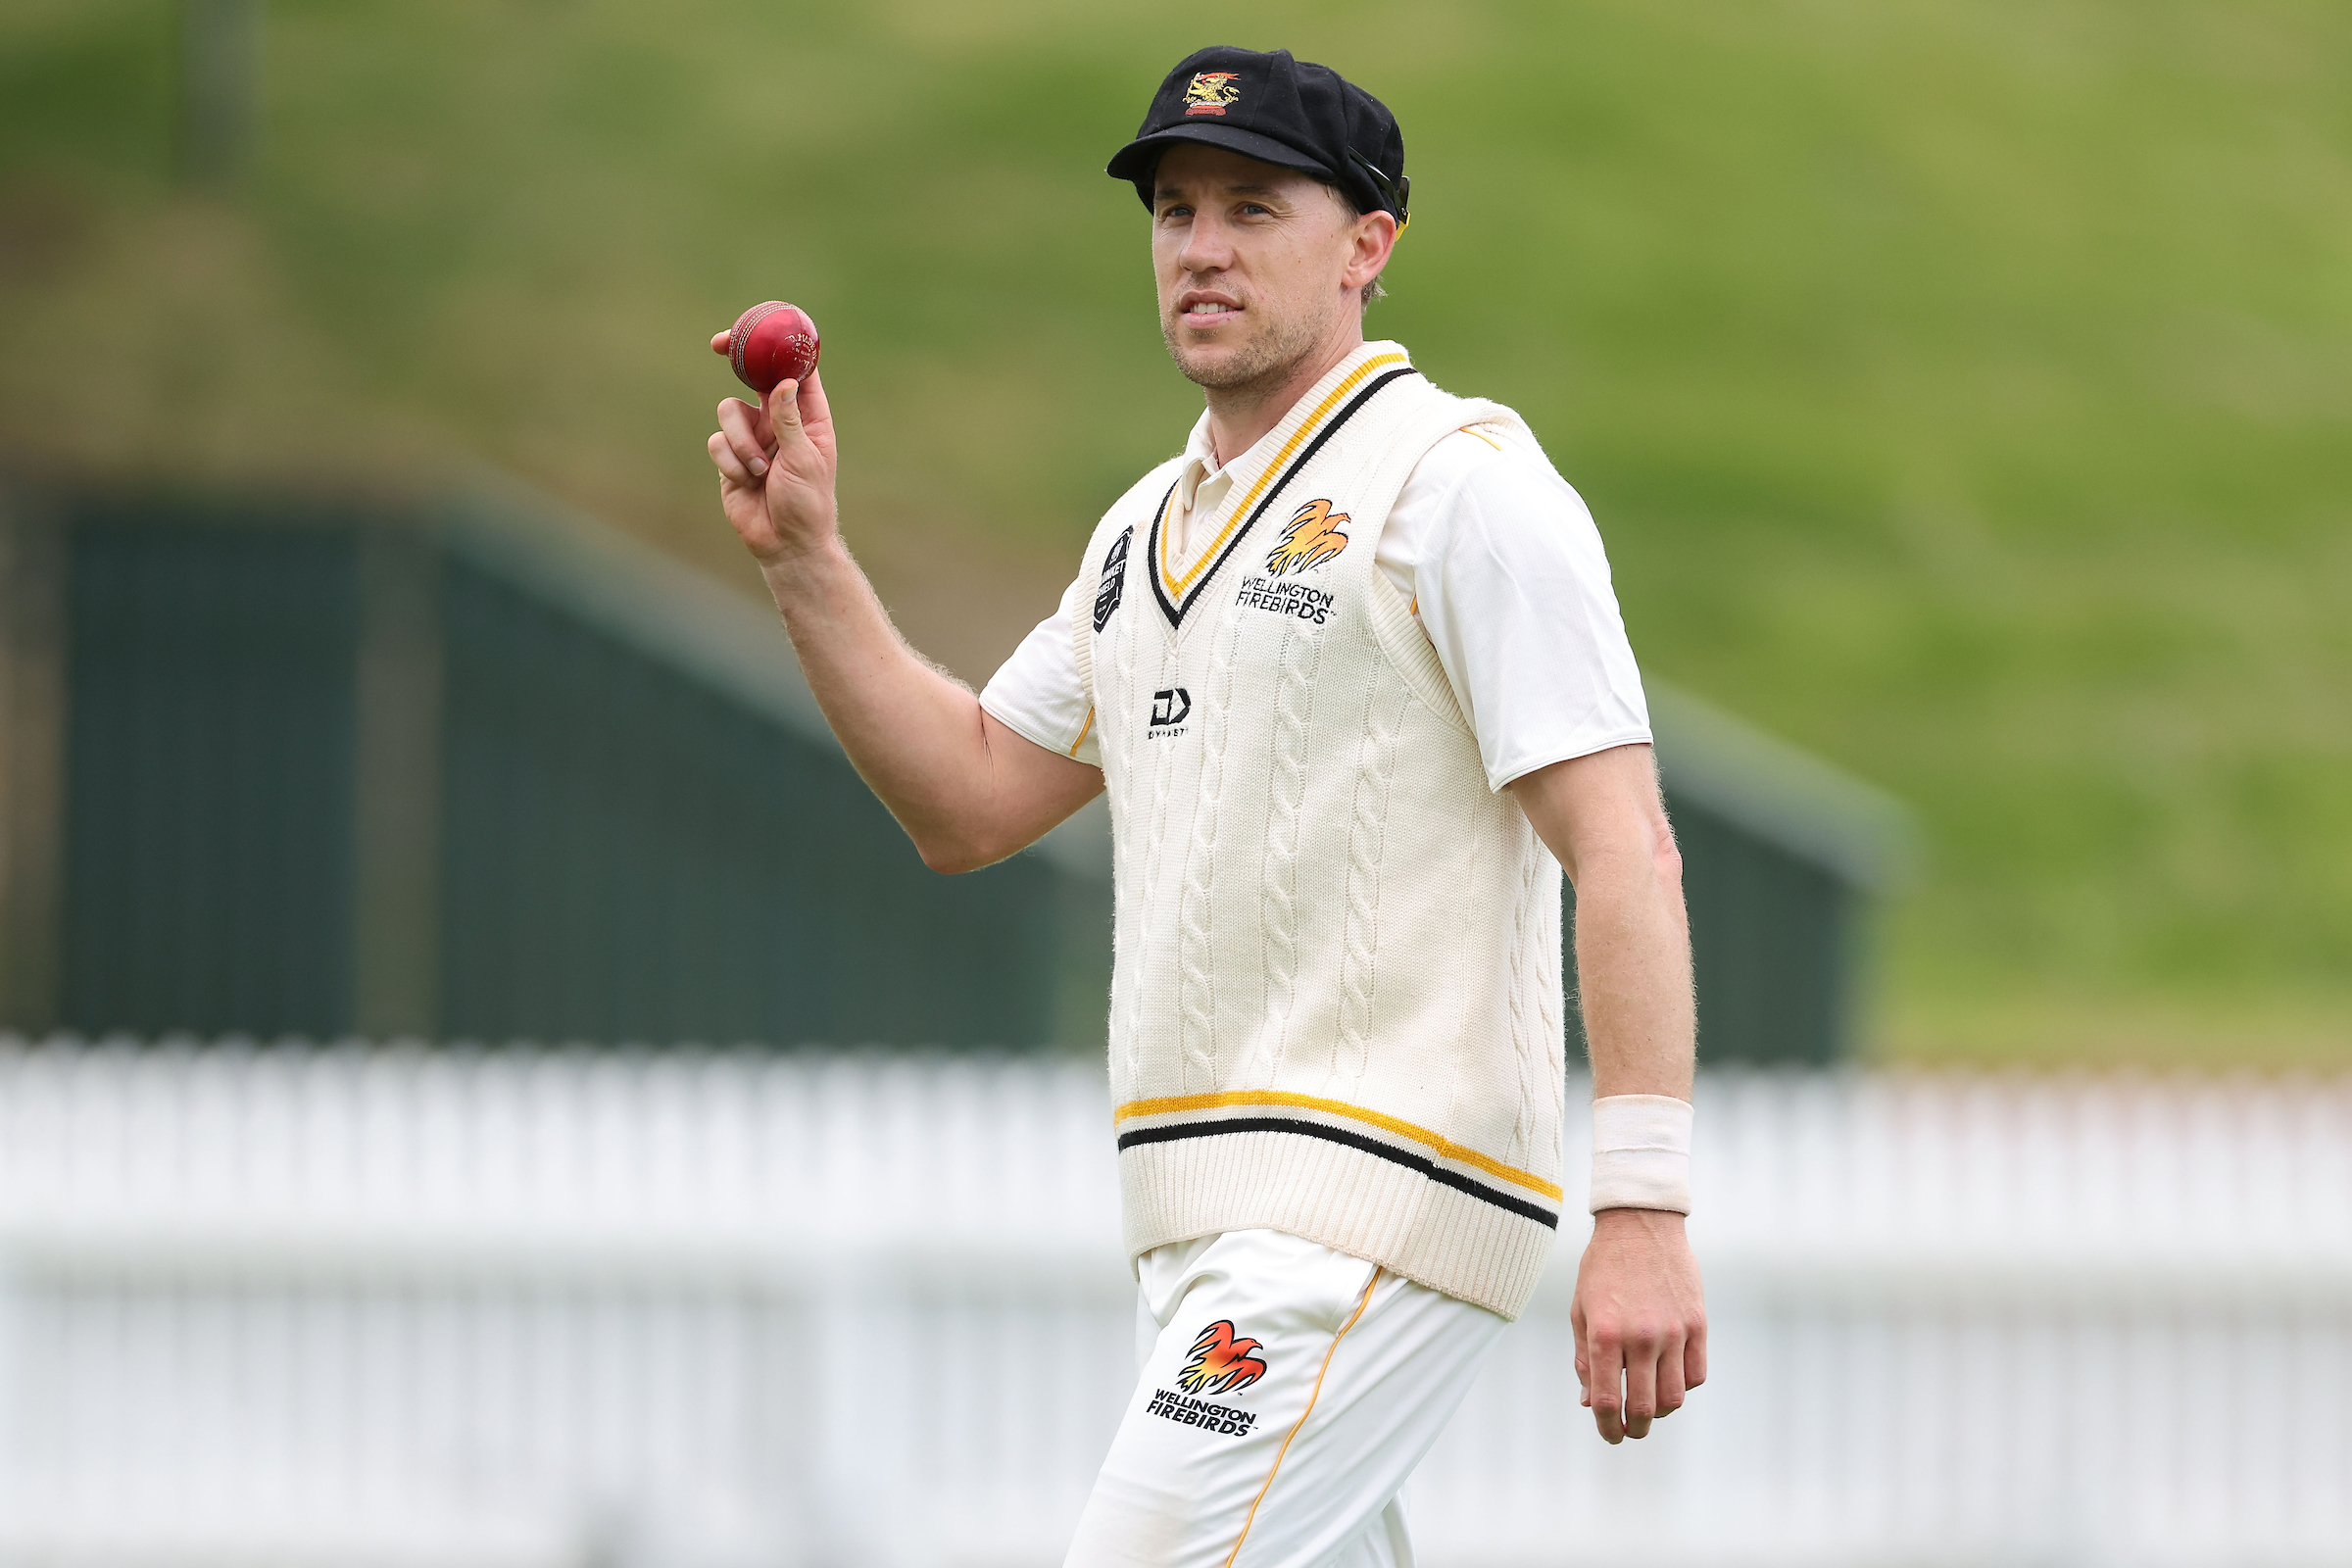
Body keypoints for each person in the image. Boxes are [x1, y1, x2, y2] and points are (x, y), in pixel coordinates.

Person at [706, 44, 1705, 1568]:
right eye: (1176, 210)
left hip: (1370, 1199)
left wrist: (1641, 1209)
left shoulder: (1459, 487)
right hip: (1199, 1221)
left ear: (1368, 244)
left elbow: (1624, 844)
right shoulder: (1141, 534)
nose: (1201, 248)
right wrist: (806, 562)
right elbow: (968, 800)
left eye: (1252, 207)